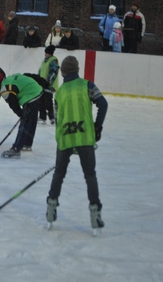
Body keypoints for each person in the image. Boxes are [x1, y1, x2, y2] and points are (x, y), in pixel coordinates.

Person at [45, 56, 108, 234]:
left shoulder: (60, 92)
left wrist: (62, 141)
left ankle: (51, 208)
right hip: (85, 137)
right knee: (90, 175)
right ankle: (95, 215)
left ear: (63, 72)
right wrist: (97, 127)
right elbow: (103, 104)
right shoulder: (87, 85)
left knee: (59, 173)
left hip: (65, 137)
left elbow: (58, 119)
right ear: (77, 70)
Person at [0, 72, 43, 158]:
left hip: (30, 95)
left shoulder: (4, 88)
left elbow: (13, 103)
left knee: (25, 123)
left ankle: (16, 148)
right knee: (31, 120)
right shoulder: (7, 80)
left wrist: (21, 114)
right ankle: (27, 143)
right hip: (37, 90)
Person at [37, 45, 59, 125]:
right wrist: (38, 80)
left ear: (50, 54)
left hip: (49, 86)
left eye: (47, 53)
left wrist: (48, 82)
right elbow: (40, 71)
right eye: (45, 53)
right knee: (40, 101)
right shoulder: (44, 61)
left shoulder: (53, 61)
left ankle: (52, 117)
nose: (45, 54)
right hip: (42, 85)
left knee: (48, 102)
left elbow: (53, 72)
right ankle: (42, 117)